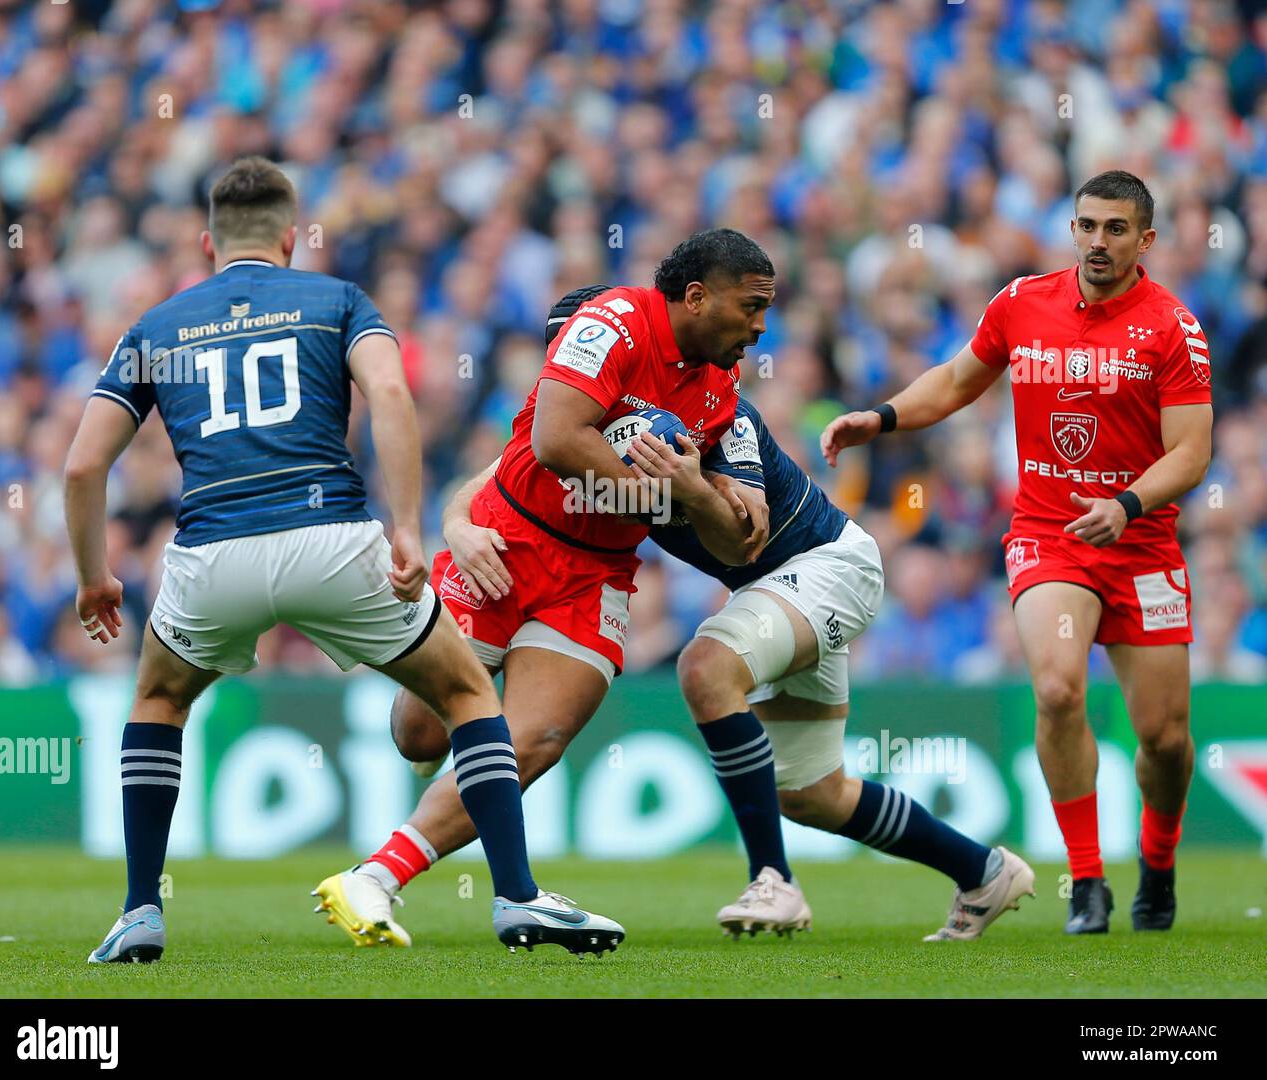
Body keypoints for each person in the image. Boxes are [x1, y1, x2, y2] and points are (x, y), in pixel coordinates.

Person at [64, 156, 621, 962]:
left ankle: (141, 910)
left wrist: (94, 575)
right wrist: (405, 526)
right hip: (332, 538)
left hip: (211, 550)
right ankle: (516, 897)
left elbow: (83, 465)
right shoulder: (337, 300)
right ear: (292, 236)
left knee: (158, 702)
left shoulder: (158, 326)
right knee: (467, 692)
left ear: (207, 240)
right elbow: (391, 397)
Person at [414, 284, 1036, 942]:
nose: (566, 373)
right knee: (813, 794)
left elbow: (749, 534)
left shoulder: (714, 415)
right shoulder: (572, 423)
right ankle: (984, 869)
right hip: (770, 595)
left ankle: (774, 879)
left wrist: (689, 488)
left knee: (706, 667)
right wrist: (456, 524)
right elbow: (491, 480)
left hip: (827, 567)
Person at [320, 231, 775, 942]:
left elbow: (737, 543)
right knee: (419, 734)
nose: (760, 326)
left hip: (594, 576)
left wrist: (699, 493)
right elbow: (553, 441)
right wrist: (654, 497)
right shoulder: (612, 321)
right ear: (697, 297)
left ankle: (376, 876)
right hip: (504, 542)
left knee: (532, 739)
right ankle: (483, 882)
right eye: (750, 307)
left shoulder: (724, 386)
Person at [822, 170, 1213, 934]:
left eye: (1115, 229)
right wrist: (883, 416)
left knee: (1165, 740)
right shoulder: (1021, 302)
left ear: (1146, 240)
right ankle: (1090, 881)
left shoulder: (1173, 327)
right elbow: (959, 379)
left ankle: (1158, 865)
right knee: (1060, 690)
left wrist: (1128, 502)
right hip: (1050, 535)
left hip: (1141, 544)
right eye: (1086, 225)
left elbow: (1192, 452)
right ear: (1072, 228)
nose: (1098, 241)